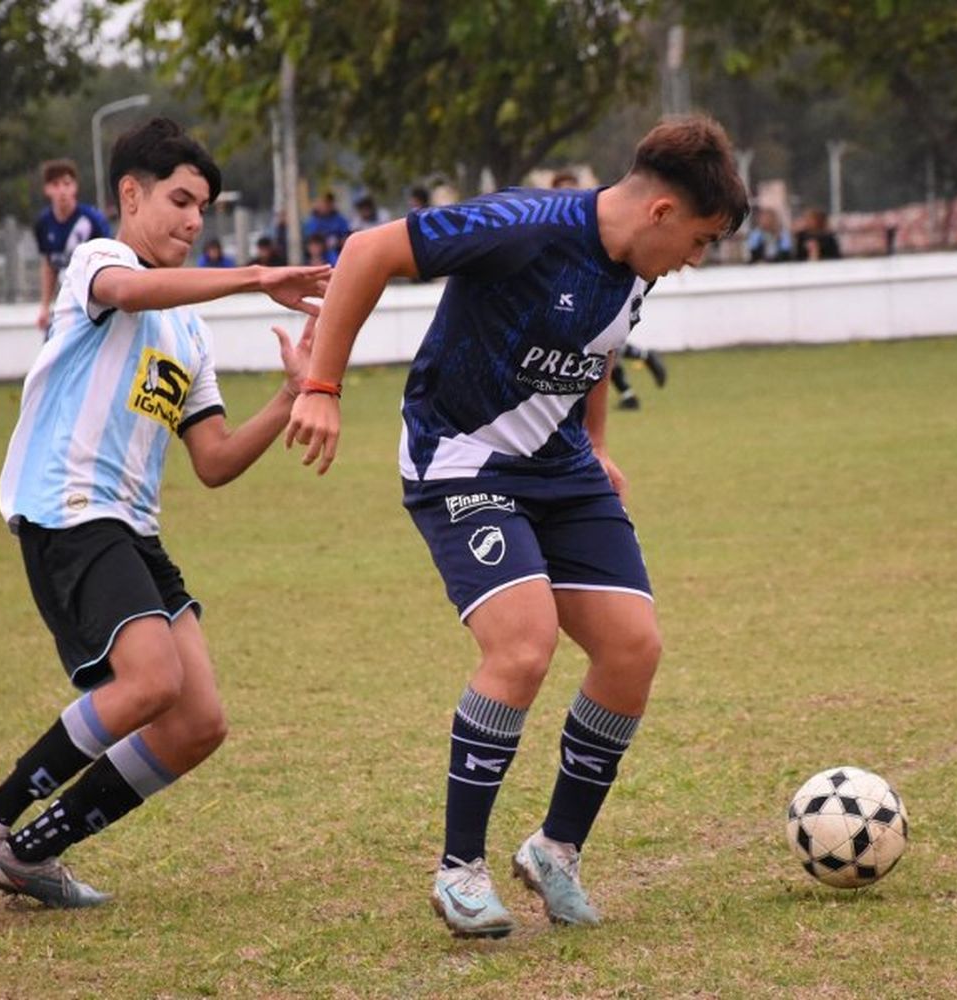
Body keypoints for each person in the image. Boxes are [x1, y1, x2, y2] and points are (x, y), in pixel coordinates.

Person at [284, 115, 749, 938]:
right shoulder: (522, 226)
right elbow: (366, 252)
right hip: (460, 460)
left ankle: (555, 851)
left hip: (560, 469)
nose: (696, 260)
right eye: (702, 240)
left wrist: (599, 445)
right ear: (662, 212)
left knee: (633, 648)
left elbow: (596, 349)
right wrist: (322, 386)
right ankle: (460, 869)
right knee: (523, 645)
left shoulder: (637, 266)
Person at [0, 117, 331, 910]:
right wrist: (255, 276)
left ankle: (28, 854)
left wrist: (289, 397)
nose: (195, 220)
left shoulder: (188, 330)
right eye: (182, 200)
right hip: (68, 509)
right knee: (151, 680)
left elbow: (214, 459)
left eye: (204, 208)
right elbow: (127, 291)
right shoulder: (100, 260)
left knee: (198, 723)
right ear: (130, 192)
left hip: (133, 527)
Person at [550, 168, 668, 409]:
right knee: (590, 350)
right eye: (562, 193)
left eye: (573, 192)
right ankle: (633, 381)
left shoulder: (597, 233)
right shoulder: (549, 233)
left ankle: (627, 393)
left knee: (598, 348)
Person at [33, 158, 111, 335]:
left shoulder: (92, 220)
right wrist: (44, 306)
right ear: (47, 189)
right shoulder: (43, 223)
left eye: (67, 184)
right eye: (55, 184)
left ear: (75, 187)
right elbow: (49, 265)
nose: (62, 191)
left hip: (93, 304)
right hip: (65, 304)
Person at [304, 191, 353, 257]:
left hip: (338, 251)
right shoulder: (313, 220)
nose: (326, 205)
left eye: (329, 202)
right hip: (319, 254)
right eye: (324, 202)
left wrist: (338, 242)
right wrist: (324, 243)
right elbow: (311, 239)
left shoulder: (339, 219)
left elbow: (347, 236)